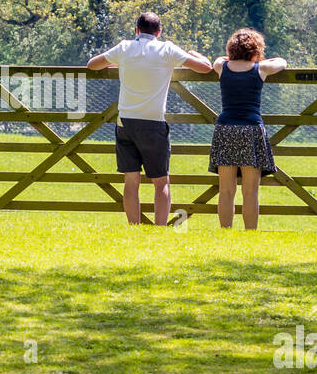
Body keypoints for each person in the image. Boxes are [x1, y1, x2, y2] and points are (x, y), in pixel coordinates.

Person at [88, 13, 212, 225]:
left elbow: (93, 64)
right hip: (153, 122)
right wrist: (197, 54)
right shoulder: (167, 49)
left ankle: (134, 226)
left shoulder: (125, 48)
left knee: (131, 179)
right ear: (159, 32)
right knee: (161, 180)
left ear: (137, 30)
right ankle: (160, 227)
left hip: (126, 121)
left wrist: (121, 64)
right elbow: (205, 68)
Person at [208, 28, 287, 229]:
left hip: (226, 129)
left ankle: (226, 232)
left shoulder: (221, 66)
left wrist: (231, 58)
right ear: (256, 49)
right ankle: (250, 233)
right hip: (251, 129)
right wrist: (260, 59)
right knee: (250, 191)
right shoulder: (259, 69)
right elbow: (282, 62)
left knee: (226, 190)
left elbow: (218, 59)